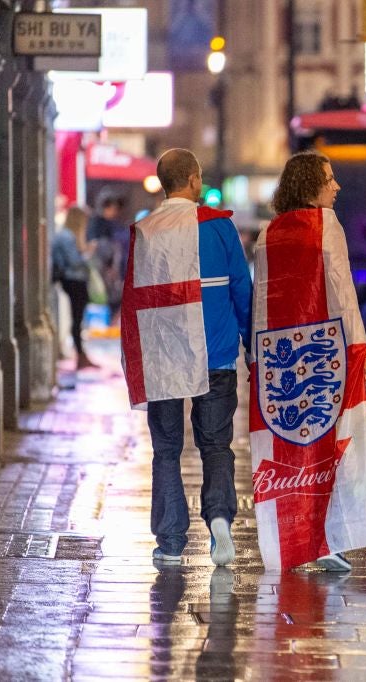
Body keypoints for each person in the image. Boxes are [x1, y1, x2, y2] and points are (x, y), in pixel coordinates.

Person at [249, 151, 366, 573]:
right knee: (333, 447)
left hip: (280, 361)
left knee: (295, 451)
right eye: (330, 178)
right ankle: (325, 537)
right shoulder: (327, 226)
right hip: (327, 357)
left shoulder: (267, 233)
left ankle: (299, 537)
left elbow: (262, 301)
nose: (337, 186)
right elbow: (342, 293)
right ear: (311, 184)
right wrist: (363, 353)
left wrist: (258, 360)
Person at [119, 148, 253, 567]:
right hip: (216, 356)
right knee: (216, 445)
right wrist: (251, 345)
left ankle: (172, 542)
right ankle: (219, 521)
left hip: (164, 358)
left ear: (162, 183)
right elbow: (242, 292)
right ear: (194, 180)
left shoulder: (145, 231)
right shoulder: (219, 228)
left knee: (166, 449)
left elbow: (133, 303)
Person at [51, 205, 98, 370]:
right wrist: (89, 253)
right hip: (74, 281)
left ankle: (81, 354)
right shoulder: (67, 236)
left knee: (77, 318)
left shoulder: (66, 236)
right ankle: (80, 355)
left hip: (72, 281)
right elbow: (75, 262)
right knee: (77, 318)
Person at [87, 190, 129, 326]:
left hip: (114, 270)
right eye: (113, 208)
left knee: (116, 298)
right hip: (105, 271)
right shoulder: (98, 224)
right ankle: (108, 324)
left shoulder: (113, 225)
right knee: (109, 298)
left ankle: (111, 323)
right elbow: (102, 249)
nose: (115, 212)